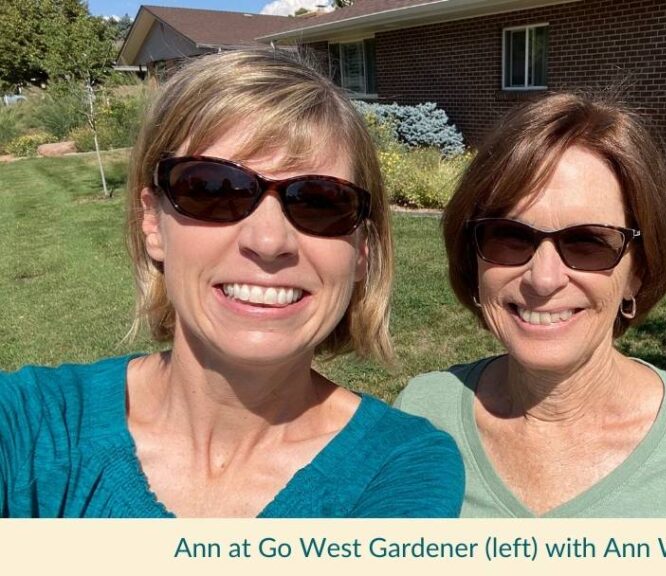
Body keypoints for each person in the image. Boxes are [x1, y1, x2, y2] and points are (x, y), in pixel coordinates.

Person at [0, 49, 463, 518]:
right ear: (154, 222)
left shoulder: (400, 470)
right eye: (212, 189)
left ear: (362, 251)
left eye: (320, 202)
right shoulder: (28, 424)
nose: (268, 240)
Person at [395, 93, 666, 517]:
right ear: (473, 257)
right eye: (509, 236)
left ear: (639, 271)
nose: (544, 278)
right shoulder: (423, 414)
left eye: (588, 242)